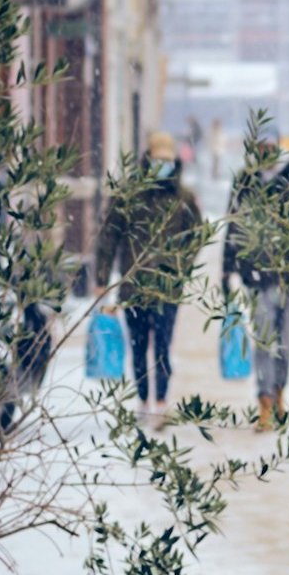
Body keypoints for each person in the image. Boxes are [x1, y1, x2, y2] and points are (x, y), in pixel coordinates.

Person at [93, 131, 204, 418]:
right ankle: (143, 399)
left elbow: (197, 236)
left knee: (163, 347)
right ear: (148, 160)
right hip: (134, 287)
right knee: (139, 347)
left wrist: (180, 267)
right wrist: (101, 279)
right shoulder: (130, 195)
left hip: (167, 288)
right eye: (158, 160)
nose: (162, 165)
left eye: (167, 160)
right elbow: (109, 236)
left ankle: (161, 401)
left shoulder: (183, 198)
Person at [222, 154, 289, 431]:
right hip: (258, 276)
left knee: (284, 341)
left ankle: (279, 391)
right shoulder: (246, 181)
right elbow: (233, 224)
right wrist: (227, 268)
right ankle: (265, 401)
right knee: (265, 340)